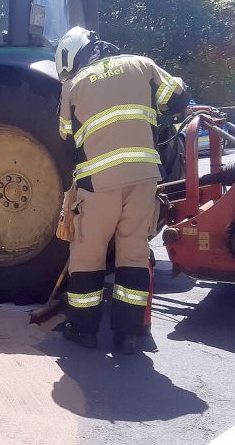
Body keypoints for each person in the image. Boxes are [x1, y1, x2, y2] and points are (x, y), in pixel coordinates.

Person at [55, 26, 188, 354]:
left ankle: (84, 330)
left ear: (72, 59)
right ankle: (128, 336)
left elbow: (64, 136)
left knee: (88, 254)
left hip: (98, 184)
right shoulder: (142, 65)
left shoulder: (73, 85)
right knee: (134, 253)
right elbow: (179, 95)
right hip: (144, 178)